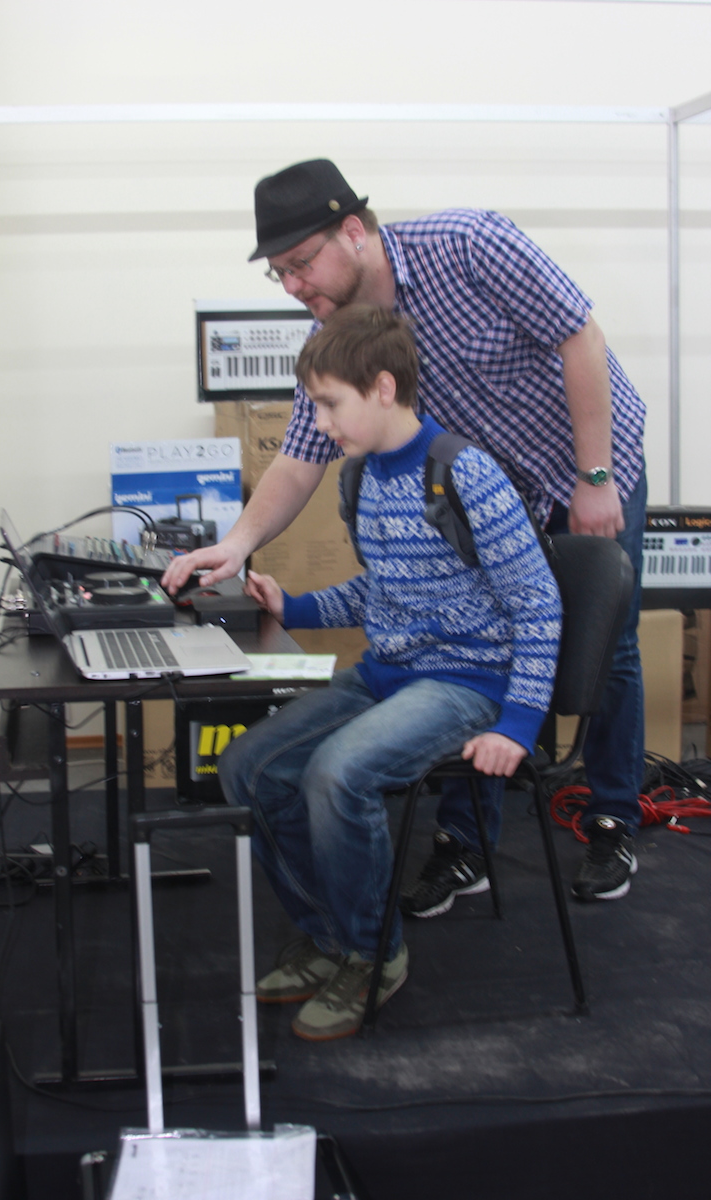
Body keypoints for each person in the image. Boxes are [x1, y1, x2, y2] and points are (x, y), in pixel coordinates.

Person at [163, 157, 646, 906]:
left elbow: (579, 337)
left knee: (606, 646)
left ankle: (612, 818)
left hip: (580, 459)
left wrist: (595, 477)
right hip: (486, 488)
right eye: (279, 273)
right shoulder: (339, 338)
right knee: (469, 647)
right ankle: (466, 844)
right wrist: (236, 544)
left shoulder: (471, 246)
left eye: (300, 263)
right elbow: (299, 457)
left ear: (353, 232)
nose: (292, 285)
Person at [217, 305, 561, 1041]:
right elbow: (384, 589)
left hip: (469, 683)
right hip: (389, 672)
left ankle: (372, 956)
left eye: (328, 404)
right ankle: (331, 935)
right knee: (248, 768)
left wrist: (520, 724)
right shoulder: (362, 477)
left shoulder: (466, 474)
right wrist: (293, 606)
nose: (320, 423)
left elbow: (538, 602)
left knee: (338, 774)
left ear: (381, 387)